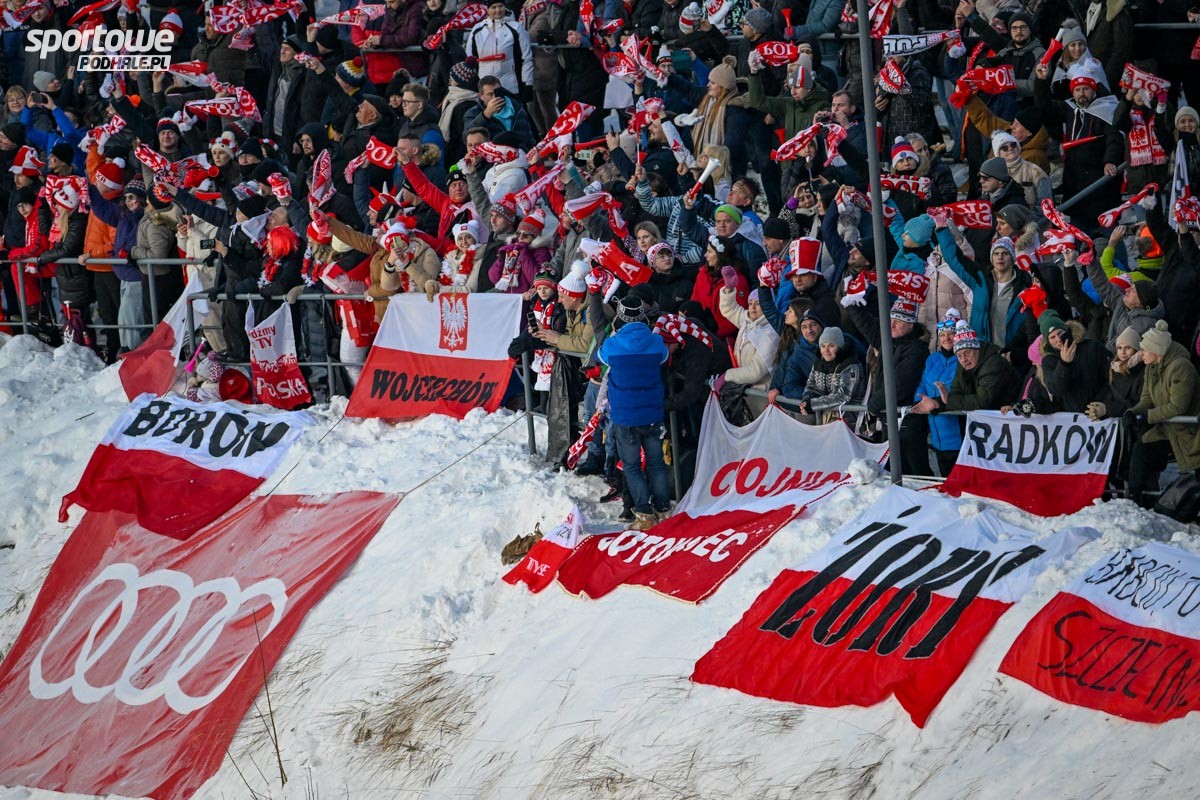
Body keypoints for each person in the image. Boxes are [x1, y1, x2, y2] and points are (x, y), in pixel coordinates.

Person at [597, 296, 671, 531]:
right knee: (656, 464)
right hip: (652, 414)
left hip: (624, 417)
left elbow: (600, 356)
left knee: (632, 467)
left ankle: (644, 514)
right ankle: (663, 509)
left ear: (620, 317)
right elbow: (665, 357)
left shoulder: (613, 344)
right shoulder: (656, 341)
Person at [1125, 321, 1200, 508]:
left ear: (1156, 350)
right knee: (1142, 448)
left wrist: (1146, 416)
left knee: (1195, 476)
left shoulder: (1181, 367)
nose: (1140, 354)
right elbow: (1146, 400)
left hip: (1188, 431)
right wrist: (1133, 413)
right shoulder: (1150, 368)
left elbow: (1177, 407)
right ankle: (1134, 497)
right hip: (1166, 429)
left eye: (1144, 350)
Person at [798, 326, 865, 425]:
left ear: (840, 347)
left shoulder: (851, 365)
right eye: (823, 346)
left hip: (849, 420)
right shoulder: (818, 364)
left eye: (831, 346)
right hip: (827, 419)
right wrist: (807, 400)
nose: (826, 350)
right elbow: (811, 387)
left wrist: (813, 405)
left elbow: (843, 396)